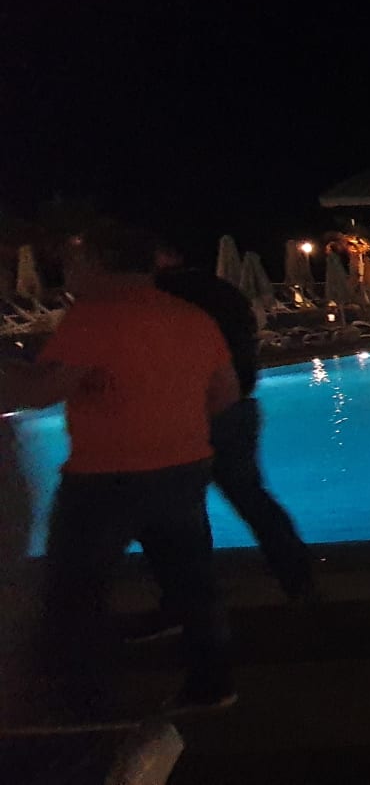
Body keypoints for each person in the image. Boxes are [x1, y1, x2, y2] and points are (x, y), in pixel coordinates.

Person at [0, 222, 240, 720]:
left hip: (106, 477)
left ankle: (83, 704)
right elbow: (226, 393)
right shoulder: (191, 316)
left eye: (75, 260)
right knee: (192, 584)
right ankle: (212, 685)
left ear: (98, 262)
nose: (69, 269)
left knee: (76, 593)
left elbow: (42, 392)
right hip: (184, 467)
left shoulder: (94, 318)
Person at [152, 243, 315, 607]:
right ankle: (298, 578)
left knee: (181, 507)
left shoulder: (158, 297)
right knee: (250, 497)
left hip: (183, 411)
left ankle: (194, 595)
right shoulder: (221, 290)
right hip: (236, 404)